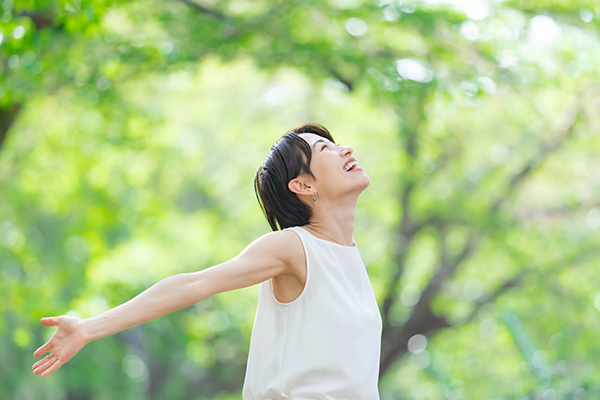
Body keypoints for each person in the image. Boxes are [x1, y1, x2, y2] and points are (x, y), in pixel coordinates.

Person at [32, 123, 382, 399]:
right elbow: (194, 284)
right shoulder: (293, 247)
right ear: (303, 185)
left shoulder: (351, 260)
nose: (345, 149)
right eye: (326, 149)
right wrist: (88, 328)